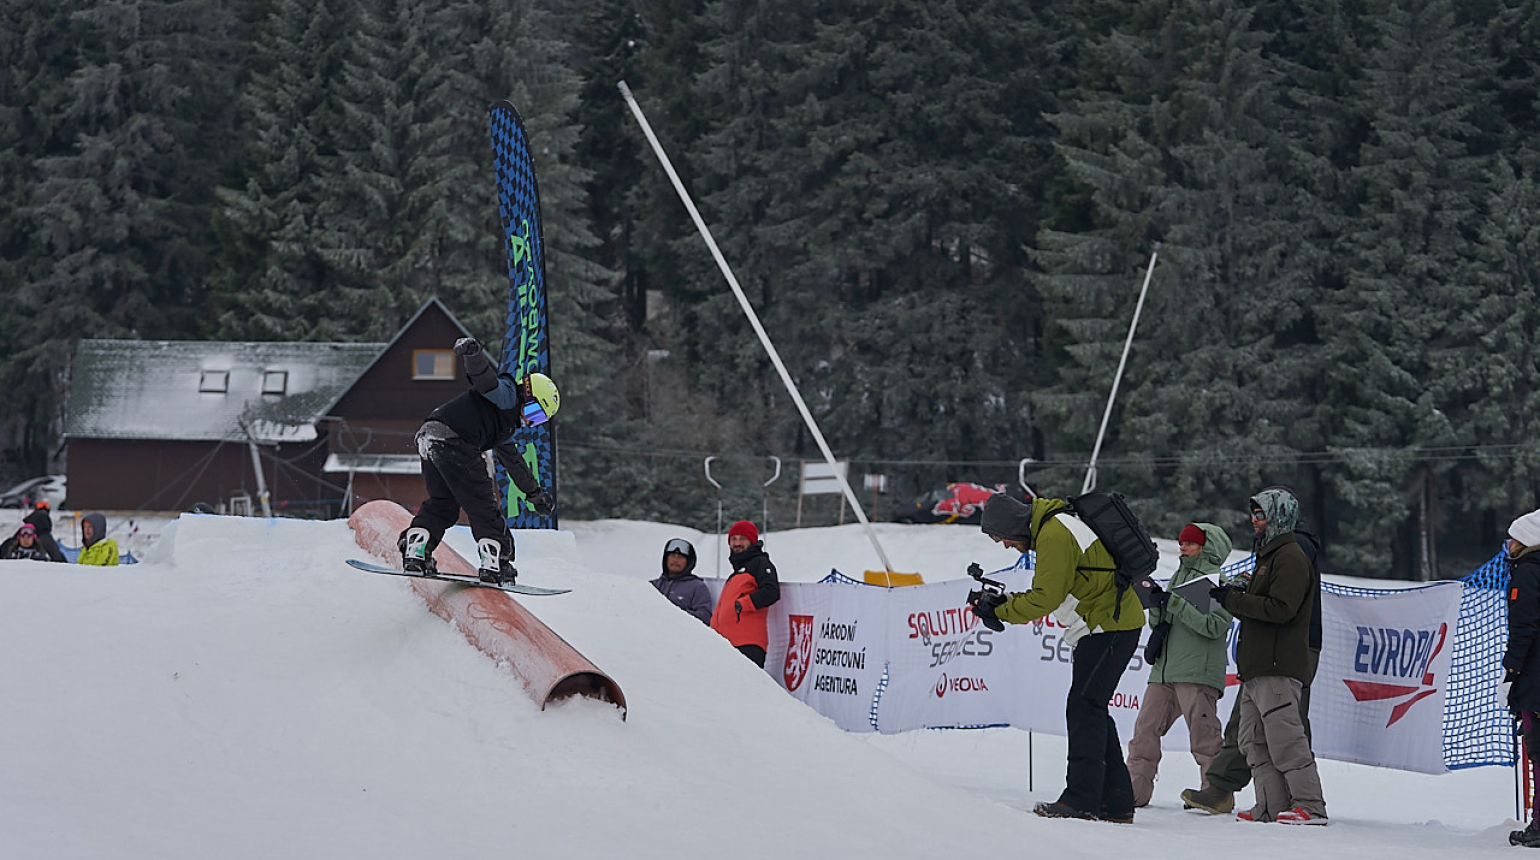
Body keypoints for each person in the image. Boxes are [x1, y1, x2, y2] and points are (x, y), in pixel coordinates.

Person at [968, 492, 1145, 824]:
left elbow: (1045, 599)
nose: (1005, 545)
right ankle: (1115, 802)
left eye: (1001, 537)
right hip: (1107, 625)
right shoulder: (1055, 527)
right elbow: (1058, 590)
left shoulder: (1054, 532)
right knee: (1092, 708)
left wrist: (1003, 611)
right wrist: (1003, 601)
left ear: (1014, 526)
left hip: (1108, 626)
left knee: (1084, 707)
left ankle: (1081, 800)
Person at [1182, 505, 1324, 815]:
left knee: (1285, 731)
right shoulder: (1274, 550)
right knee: (1253, 732)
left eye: (1261, 515)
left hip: (1285, 653)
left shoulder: (1292, 549)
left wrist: (1233, 596)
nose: (1254, 521)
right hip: (1264, 653)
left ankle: (1305, 803)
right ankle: (1271, 804)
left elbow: (1280, 608)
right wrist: (1236, 592)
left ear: (1278, 516)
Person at [398, 337, 558, 585]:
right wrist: (473, 354)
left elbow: (513, 462)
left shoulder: (503, 424)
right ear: (526, 394)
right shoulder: (508, 396)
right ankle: (495, 563)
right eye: (533, 411)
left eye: (537, 419)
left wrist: (534, 493)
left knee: (443, 504)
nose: (529, 421)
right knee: (484, 506)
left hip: (429, 436)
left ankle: (416, 550)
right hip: (455, 439)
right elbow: (485, 380)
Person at [1126, 523, 1233, 808]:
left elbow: (1214, 626)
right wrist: (1158, 607)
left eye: (1190, 543)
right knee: (1144, 733)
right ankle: (1133, 791)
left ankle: (1216, 795)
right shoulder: (1178, 577)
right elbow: (1168, 620)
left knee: (1204, 738)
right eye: (1182, 542)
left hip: (1197, 671)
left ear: (1205, 547)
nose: (1182, 547)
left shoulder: (1215, 580)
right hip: (1165, 669)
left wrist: (1174, 604)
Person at [1503, 507, 1540, 848]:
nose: (1509, 544)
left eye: (1513, 537)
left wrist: (1511, 669)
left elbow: (1523, 627)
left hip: (1535, 679)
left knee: (1538, 750)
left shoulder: (1528, 572)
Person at [709, 520, 780, 667]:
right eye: (733, 539)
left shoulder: (760, 563)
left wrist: (742, 604)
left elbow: (771, 591)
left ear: (752, 541)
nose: (737, 543)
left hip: (747, 643)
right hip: (727, 643)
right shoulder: (738, 571)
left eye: (742, 538)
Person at [652, 537, 713, 624]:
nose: (675, 560)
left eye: (680, 557)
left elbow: (705, 616)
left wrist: (676, 615)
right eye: (672, 556)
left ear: (688, 562)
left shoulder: (697, 587)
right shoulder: (654, 585)